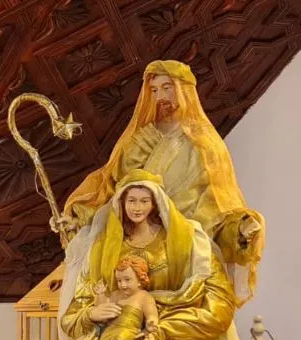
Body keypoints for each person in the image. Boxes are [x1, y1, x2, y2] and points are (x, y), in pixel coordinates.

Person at [14, 170, 237, 340]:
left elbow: (219, 308)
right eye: (132, 200)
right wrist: (91, 313)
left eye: (145, 201)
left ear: (156, 202)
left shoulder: (189, 242)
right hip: (109, 334)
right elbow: (74, 313)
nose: (138, 208)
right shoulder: (104, 248)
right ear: (121, 202)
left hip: (173, 339)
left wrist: (161, 332)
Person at [53, 60, 264, 309]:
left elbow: (218, 209)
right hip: (132, 240)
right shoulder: (140, 139)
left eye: (167, 88)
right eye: (154, 90)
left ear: (185, 90)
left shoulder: (206, 146)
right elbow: (110, 188)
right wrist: (78, 217)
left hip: (183, 243)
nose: (160, 96)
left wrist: (240, 231)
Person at [90, 255, 158, 340]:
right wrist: (100, 295)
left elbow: (151, 314)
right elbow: (103, 307)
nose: (123, 285)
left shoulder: (144, 296)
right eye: (119, 281)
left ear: (140, 280)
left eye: (127, 280)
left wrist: (151, 322)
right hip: (111, 328)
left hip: (128, 330)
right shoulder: (116, 295)